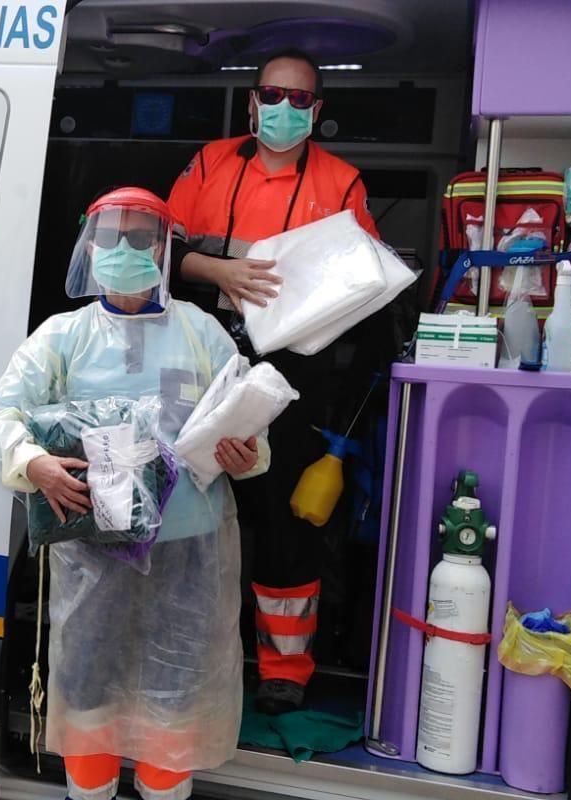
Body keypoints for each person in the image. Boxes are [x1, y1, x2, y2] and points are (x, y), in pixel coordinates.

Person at [0, 187, 267, 800]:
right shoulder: (63, 336)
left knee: (174, 702)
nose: (125, 249)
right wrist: (34, 463)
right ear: (89, 246)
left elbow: (251, 429)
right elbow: (0, 417)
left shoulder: (202, 332)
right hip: (93, 553)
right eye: (111, 237)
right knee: (88, 698)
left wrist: (248, 455)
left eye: (141, 237)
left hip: (189, 555)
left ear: (164, 248)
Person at [168, 49, 385, 715]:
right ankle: (181, 651)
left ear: (317, 110)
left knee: (285, 520)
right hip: (202, 358)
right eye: (273, 95)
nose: (284, 108)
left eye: (300, 99)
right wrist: (219, 273)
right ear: (253, 100)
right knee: (187, 503)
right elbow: (162, 252)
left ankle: (284, 669)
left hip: (292, 371)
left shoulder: (342, 183)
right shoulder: (210, 163)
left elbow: (369, 285)